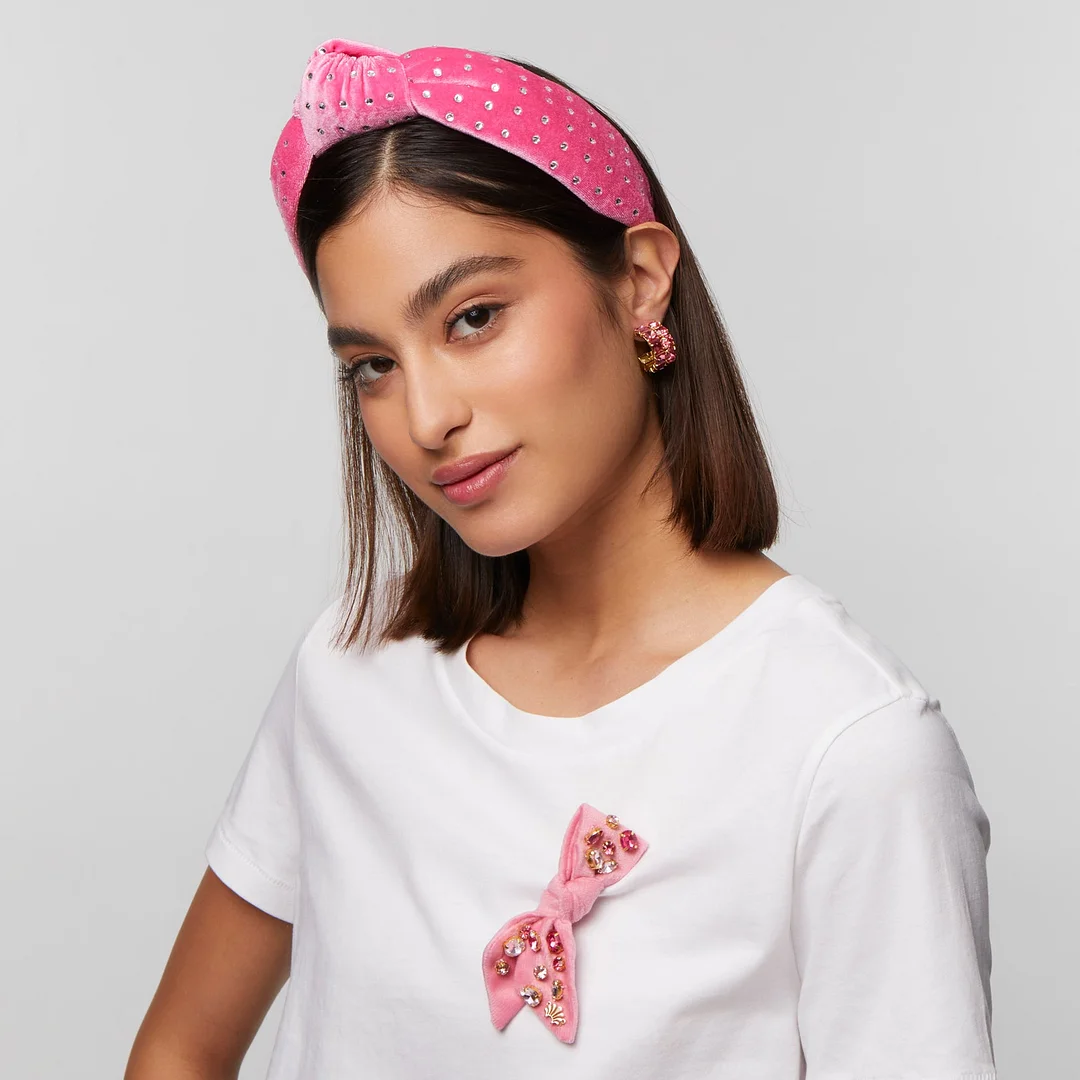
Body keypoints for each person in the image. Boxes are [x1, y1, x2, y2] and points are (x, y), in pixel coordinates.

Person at [125, 37, 996, 1080]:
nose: (427, 417)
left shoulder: (847, 750)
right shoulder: (351, 671)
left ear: (640, 282)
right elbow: (179, 1049)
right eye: (372, 366)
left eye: (474, 318)